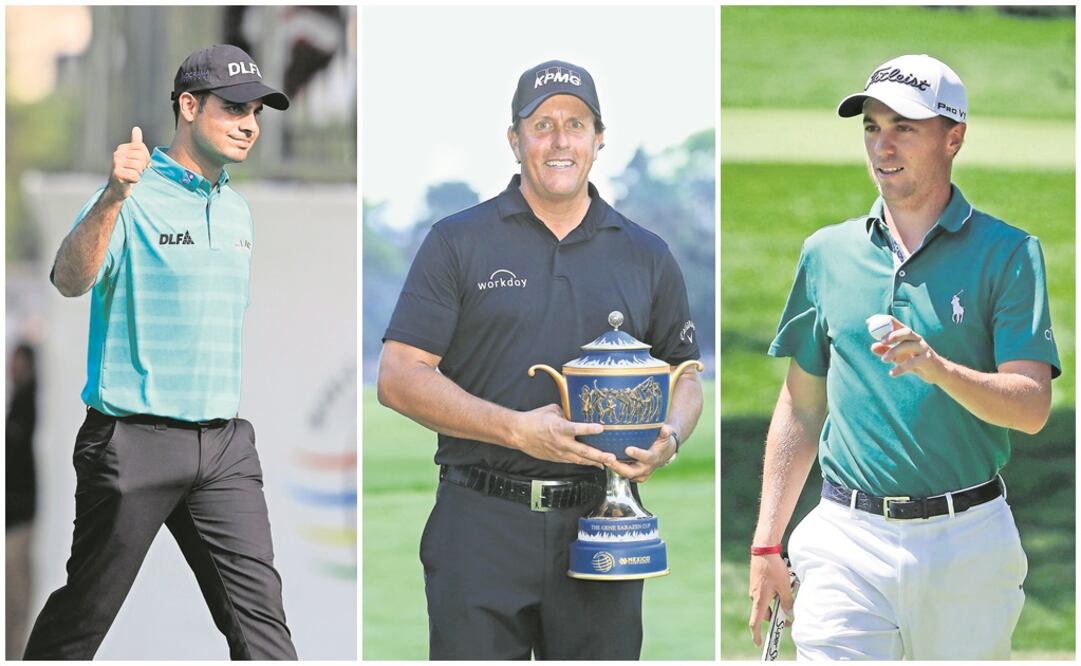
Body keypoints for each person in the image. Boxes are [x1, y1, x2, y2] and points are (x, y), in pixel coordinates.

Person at [378, 59, 703, 660]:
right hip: (479, 521)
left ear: (598, 139)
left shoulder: (646, 255)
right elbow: (399, 377)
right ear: (514, 139)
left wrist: (671, 438)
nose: (560, 141)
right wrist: (518, 431)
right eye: (542, 124)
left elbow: (685, 375)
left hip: (601, 521)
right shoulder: (458, 240)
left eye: (575, 125)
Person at [747, 54, 1060, 660]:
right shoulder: (826, 253)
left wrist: (937, 369)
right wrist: (766, 542)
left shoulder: (1010, 254)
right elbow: (802, 405)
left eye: (904, 128)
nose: (882, 145)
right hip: (845, 535)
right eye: (871, 126)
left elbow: (1031, 408)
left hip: (967, 539)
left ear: (954, 137)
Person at [24, 44, 297, 660]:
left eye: (255, 110)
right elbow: (70, 280)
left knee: (266, 640)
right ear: (188, 106)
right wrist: (115, 195)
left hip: (225, 448)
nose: (249, 122)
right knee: (79, 624)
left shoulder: (236, 207)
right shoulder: (129, 194)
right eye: (233, 108)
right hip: (131, 443)